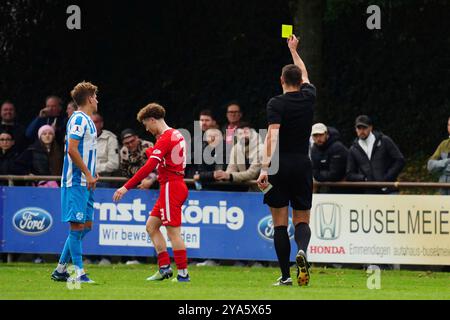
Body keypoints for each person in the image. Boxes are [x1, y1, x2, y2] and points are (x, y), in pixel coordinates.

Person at [257, 35, 315, 286]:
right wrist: (294, 50)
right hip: (303, 164)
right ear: (300, 82)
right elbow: (305, 74)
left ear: (281, 81)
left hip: (279, 166)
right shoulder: (308, 96)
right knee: (302, 219)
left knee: (279, 223)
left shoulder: (276, 103)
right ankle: (302, 250)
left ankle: (285, 276)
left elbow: (273, 134)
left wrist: (263, 168)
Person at [113, 103, 190, 283]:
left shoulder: (165, 137)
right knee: (151, 226)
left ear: (152, 120)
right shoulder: (176, 133)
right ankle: (164, 269)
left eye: (146, 124)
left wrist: (126, 187)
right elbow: (168, 158)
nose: (146, 129)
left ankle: (184, 275)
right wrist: (151, 151)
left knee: (173, 233)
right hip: (171, 185)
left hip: (172, 186)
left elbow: (149, 167)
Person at [51, 81, 99, 284]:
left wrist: (92, 174)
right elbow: (72, 149)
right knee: (77, 226)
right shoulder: (78, 119)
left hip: (85, 181)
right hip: (76, 181)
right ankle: (78, 273)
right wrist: (87, 172)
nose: (97, 100)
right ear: (89, 98)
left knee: (86, 225)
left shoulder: (86, 120)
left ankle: (61, 269)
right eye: (95, 97)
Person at [346, 115, 405, 194]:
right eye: (359, 128)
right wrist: (364, 179)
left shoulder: (384, 141)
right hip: (369, 193)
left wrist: (388, 177)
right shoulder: (353, 149)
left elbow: (400, 160)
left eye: (364, 127)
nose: (361, 130)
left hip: (389, 190)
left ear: (370, 128)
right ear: (355, 129)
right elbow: (350, 174)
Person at [215, 122, 263, 191]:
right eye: (240, 134)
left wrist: (230, 176)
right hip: (247, 189)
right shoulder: (236, 148)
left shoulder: (262, 149)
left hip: (265, 188)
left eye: (246, 133)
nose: (243, 136)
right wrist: (223, 175)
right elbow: (231, 168)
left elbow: (252, 174)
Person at [310, 123, 349, 193]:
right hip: (326, 188)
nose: (318, 138)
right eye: (315, 135)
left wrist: (318, 175)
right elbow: (314, 172)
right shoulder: (314, 149)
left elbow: (335, 175)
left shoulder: (337, 147)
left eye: (321, 135)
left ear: (326, 134)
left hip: (344, 188)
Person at [91, 113, 119, 187]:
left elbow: (114, 164)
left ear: (101, 124)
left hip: (103, 178)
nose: (93, 125)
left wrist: (94, 169)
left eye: (95, 122)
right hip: (84, 177)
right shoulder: (82, 139)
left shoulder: (110, 138)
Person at [427, 116, 450, 195]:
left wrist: (441, 167)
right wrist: (446, 162)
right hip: (443, 192)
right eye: (449, 125)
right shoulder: (444, 144)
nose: (449, 127)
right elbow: (430, 165)